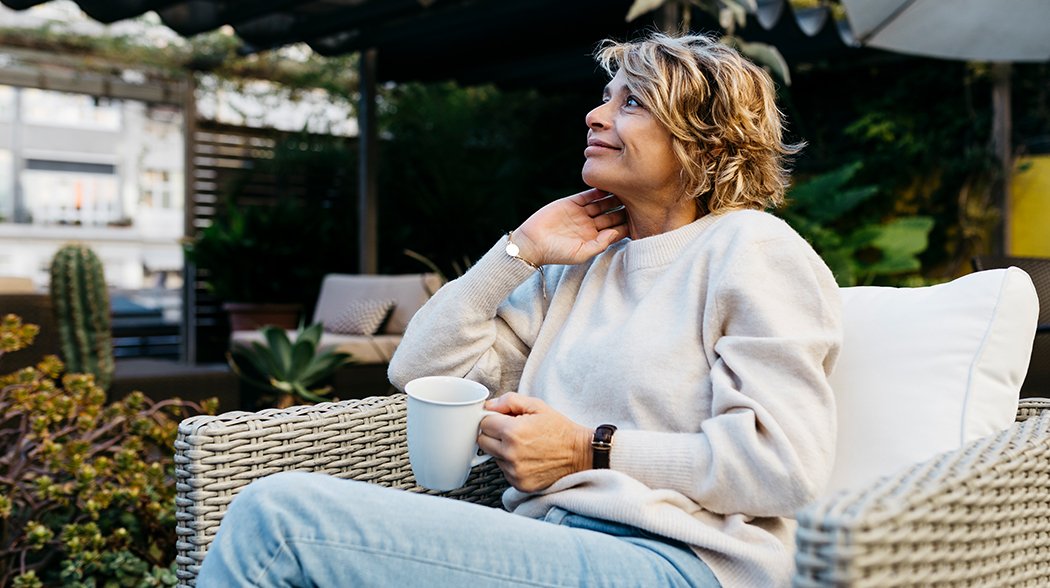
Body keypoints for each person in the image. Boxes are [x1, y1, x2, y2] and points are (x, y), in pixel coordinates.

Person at [197, 30, 843, 587]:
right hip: (548, 541)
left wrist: (587, 451)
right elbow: (420, 371)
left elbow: (782, 463)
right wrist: (519, 251)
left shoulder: (749, 249)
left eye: (632, 102)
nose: (595, 115)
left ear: (704, 142)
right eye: (605, 96)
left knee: (278, 521)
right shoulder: (579, 265)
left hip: (680, 562)